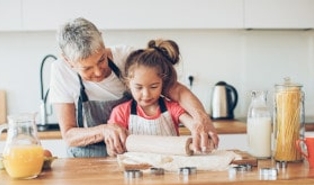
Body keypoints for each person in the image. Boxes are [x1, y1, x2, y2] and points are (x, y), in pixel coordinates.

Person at [49, 17, 219, 158]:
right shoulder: (60, 72)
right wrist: (104, 130)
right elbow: (69, 135)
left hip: (132, 156)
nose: (98, 71)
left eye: (101, 59)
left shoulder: (125, 57)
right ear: (67, 60)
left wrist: (200, 119)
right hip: (84, 161)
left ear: (102, 39)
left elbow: (176, 91)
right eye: (86, 68)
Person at [107, 39, 214, 156]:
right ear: (128, 83)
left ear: (163, 83)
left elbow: (193, 125)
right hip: (134, 170)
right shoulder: (121, 112)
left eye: (153, 86)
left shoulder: (171, 107)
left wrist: (201, 134)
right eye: (139, 87)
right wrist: (113, 148)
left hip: (170, 168)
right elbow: (111, 149)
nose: (146, 94)